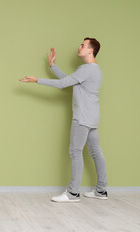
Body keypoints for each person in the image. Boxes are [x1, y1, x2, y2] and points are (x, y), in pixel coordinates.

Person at [19, 38, 108, 203]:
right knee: (96, 153)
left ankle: (73, 193)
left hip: (82, 117)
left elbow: (62, 84)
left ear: (90, 50)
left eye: (83, 45)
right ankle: (101, 190)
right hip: (92, 116)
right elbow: (70, 82)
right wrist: (53, 66)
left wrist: (37, 80)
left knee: (76, 152)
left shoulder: (87, 69)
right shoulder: (95, 70)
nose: (79, 47)